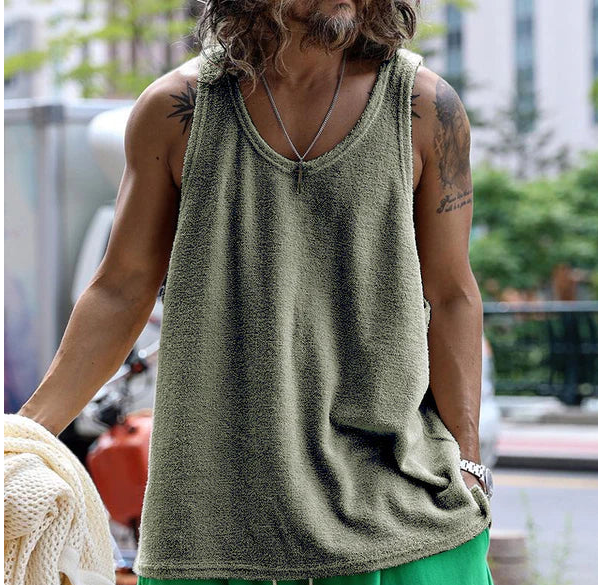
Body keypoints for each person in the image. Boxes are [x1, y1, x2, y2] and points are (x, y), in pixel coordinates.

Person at [17, 1, 494, 584]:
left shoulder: (424, 106)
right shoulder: (176, 110)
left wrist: (468, 464)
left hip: (405, 520)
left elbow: (452, 294)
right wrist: (23, 440)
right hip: (212, 528)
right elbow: (122, 288)